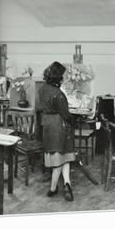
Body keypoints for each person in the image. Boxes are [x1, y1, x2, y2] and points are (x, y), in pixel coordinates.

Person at [38, 61, 75, 201]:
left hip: (47, 125)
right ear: (58, 76)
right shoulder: (58, 94)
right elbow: (66, 114)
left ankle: (66, 184)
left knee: (62, 157)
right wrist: (73, 120)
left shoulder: (42, 89)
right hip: (59, 126)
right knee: (60, 159)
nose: (64, 78)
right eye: (63, 75)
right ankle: (53, 188)